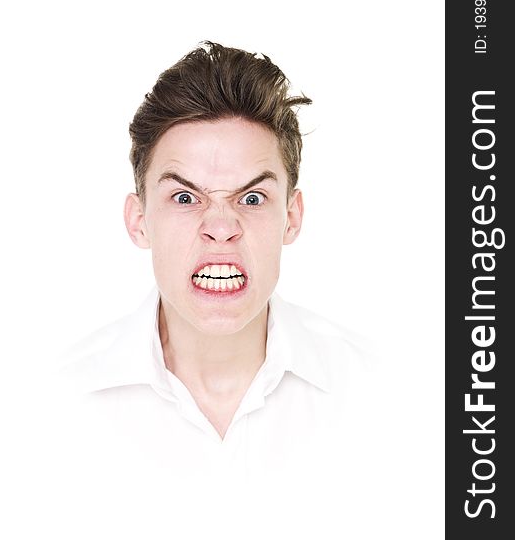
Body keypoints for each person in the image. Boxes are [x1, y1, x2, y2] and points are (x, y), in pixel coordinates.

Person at [59, 42, 383, 539]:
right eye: (185, 197)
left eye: (251, 198)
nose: (221, 227)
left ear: (291, 217)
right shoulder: (54, 404)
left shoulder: (380, 393)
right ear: (139, 220)